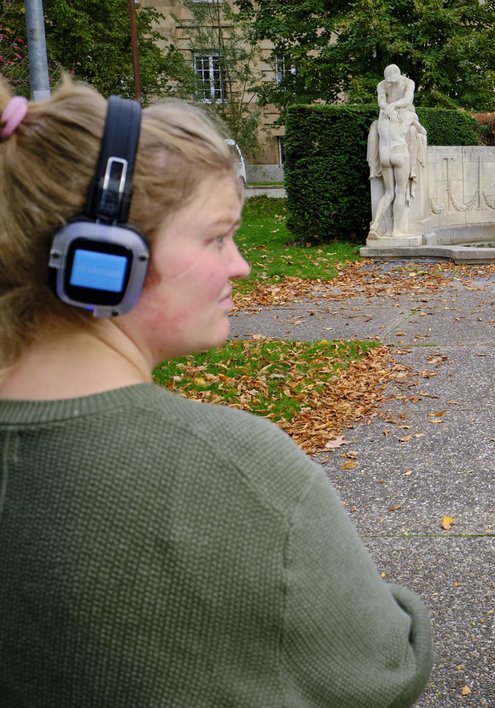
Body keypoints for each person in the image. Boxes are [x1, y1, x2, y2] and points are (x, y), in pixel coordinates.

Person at [0, 80, 433, 704]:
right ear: (105, 255)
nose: (241, 264)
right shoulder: (238, 467)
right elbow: (387, 670)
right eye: (216, 237)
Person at [369, 64, 427, 237]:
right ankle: (397, 231)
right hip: (399, 154)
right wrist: (414, 122)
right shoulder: (408, 116)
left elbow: (385, 103)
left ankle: (375, 226)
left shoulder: (381, 123)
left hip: (384, 155)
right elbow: (422, 131)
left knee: (388, 193)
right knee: (400, 192)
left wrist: (389, 107)